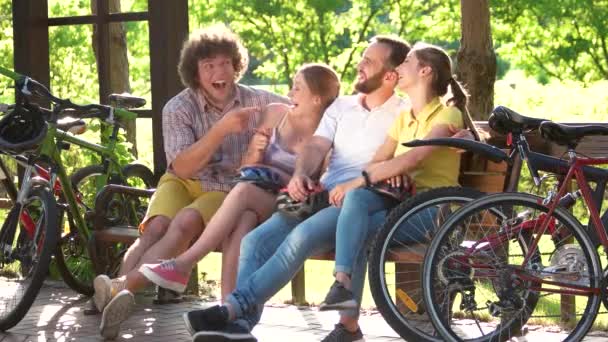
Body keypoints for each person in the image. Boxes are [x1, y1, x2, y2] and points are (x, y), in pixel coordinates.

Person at [184, 35, 412, 342]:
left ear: (390, 75)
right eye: (362, 58)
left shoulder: (403, 112)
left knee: (300, 238)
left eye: (368, 62)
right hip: (321, 194)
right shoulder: (341, 107)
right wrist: (300, 175)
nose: (359, 65)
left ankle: (232, 313)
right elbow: (316, 147)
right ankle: (240, 327)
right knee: (255, 241)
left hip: (363, 200)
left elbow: (417, 152)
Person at [93, 24, 288, 340]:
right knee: (153, 230)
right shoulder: (178, 107)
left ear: (236, 65)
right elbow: (182, 167)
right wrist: (221, 129)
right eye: (209, 66)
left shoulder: (257, 100)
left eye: (225, 63)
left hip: (224, 189)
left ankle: (118, 291)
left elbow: (299, 105)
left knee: (183, 223)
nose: (218, 71)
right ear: (196, 74)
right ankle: (118, 297)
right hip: (182, 180)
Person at [137, 64, 341, 298]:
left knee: (243, 192)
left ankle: (184, 264)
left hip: (291, 206)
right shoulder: (276, 113)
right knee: (242, 222)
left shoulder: (328, 136)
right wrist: (255, 151)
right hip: (258, 199)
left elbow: (317, 189)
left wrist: (278, 176)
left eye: (296, 89)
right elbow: (246, 168)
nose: (289, 94)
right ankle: (228, 309)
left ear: (316, 99)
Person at [318, 42, 480, 312]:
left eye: (406, 62)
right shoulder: (404, 116)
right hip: (404, 204)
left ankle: (347, 321)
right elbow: (379, 160)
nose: (400, 67)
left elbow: (414, 157)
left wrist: (359, 179)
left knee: (356, 225)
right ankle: (342, 283)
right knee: (357, 202)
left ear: (425, 71)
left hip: (434, 208)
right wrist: (388, 174)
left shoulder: (447, 114)